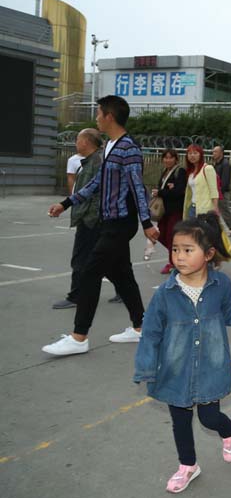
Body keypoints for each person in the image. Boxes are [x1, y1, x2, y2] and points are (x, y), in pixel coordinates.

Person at [133, 213, 231, 494]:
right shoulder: (165, 293)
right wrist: (147, 367)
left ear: (209, 254)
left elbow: (230, 312)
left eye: (188, 250)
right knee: (180, 420)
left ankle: (230, 430)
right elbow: (151, 331)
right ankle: (188, 465)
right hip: (175, 370)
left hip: (211, 367)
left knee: (209, 418)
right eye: (175, 249)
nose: (179, 256)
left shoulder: (220, 285)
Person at [44, 95, 160, 356]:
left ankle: (79, 336)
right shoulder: (110, 145)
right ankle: (141, 327)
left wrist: (146, 224)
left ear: (109, 116)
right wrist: (67, 203)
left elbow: (137, 188)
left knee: (90, 272)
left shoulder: (128, 148)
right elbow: (97, 183)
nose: (96, 117)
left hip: (121, 223)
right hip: (109, 221)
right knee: (122, 275)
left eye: (98, 113)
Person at [52, 129, 103, 310]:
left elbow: (91, 192)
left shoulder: (97, 162)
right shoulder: (92, 161)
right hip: (91, 217)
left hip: (90, 219)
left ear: (86, 142)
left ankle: (76, 296)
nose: (76, 143)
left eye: (78, 139)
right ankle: (123, 292)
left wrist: (68, 205)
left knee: (80, 258)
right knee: (109, 259)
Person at [153, 148, 187, 274]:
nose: (168, 160)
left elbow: (179, 191)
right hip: (164, 210)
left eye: (170, 157)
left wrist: (162, 192)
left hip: (175, 209)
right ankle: (179, 254)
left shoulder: (180, 171)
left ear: (176, 159)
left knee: (171, 236)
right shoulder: (164, 171)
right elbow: (168, 189)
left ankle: (173, 263)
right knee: (161, 234)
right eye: (165, 157)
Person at [183, 145, 219, 219]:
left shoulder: (208, 168)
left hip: (205, 209)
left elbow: (214, 190)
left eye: (195, 153)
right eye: (190, 153)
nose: (192, 155)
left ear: (201, 155)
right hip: (192, 208)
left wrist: (215, 208)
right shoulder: (190, 171)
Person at [212, 146, 231, 237]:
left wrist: (220, 191)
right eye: (213, 152)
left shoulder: (225, 164)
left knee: (224, 210)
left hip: (222, 191)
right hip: (217, 190)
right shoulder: (216, 164)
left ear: (221, 153)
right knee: (217, 210)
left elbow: (225, 180)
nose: (214, 154)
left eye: (215, 152)